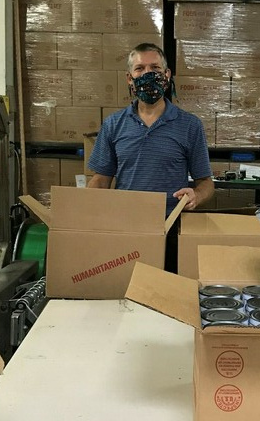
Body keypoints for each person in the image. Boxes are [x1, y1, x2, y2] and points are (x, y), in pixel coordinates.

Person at [87, 42, 214, 271]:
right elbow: (101, 179)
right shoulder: (113, 124)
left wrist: (196, 195)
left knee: (166, 294)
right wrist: (83, 216)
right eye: (140, 69)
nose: (147, 74)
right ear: (129, 78)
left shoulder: (189, 125)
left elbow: (206, 183)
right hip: (124, 228)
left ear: (166, 75)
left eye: (155, 69)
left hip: (171, 228)